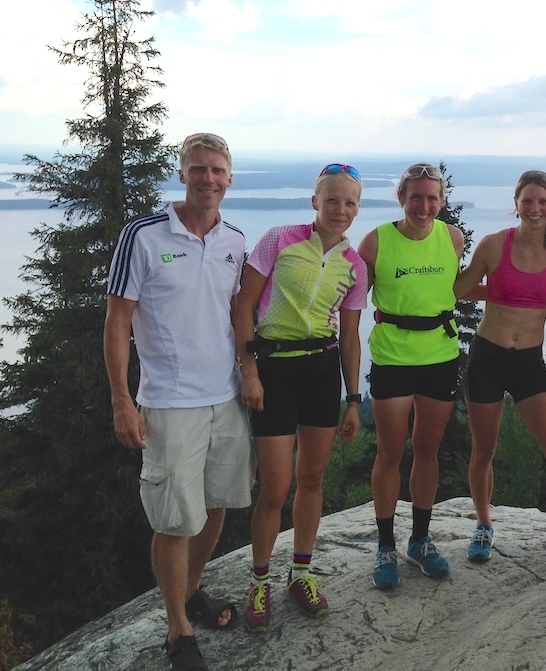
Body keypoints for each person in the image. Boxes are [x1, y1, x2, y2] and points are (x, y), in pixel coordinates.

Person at [104, 132, 255, 671]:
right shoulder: (142, 236)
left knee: (215, 505)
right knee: (173, 519)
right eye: (198, 168)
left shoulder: (235, 241)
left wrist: (252, 373)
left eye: (217, 170)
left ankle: (191, 592)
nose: (208, 179)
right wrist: (123, 400)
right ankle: (177, 629)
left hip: (227, 396)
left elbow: (238, 315)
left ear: (230, 178)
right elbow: (118, 320)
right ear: (182, 173)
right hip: (169, 402)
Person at [455, 170, 546, 594]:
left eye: (543, 201)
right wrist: (497, 291)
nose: (535, 208)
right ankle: (483, 524)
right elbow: (460, 289)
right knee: (484, 449)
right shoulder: (493, 244)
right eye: (528, 200)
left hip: (529, 364)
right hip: (487, 357)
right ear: (516, 202)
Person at [234, 164, 366, 632]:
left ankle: (301, 574)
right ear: (315, 202)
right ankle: (259, 581)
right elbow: (244, 307)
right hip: (274, 370)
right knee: (274, 489)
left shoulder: (355, 266)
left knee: (311, 479)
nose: (341, 210)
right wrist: (249, 371)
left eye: (350, 202)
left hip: (322, 372)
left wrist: (354, 398)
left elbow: (350, 336)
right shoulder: (279, 240)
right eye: (332, 200)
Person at [357, 162, 465, 590]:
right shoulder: (377, 241)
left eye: (432, 198)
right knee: (389, 452)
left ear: (441, 201)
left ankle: (420, 540)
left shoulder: (451, 237)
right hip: (393, 356)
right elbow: (349, 299)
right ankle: (386, 545)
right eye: (416, 196)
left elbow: (453, 287)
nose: (424, 205)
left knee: (427, 449)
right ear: (401, 198)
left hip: (440, 354)